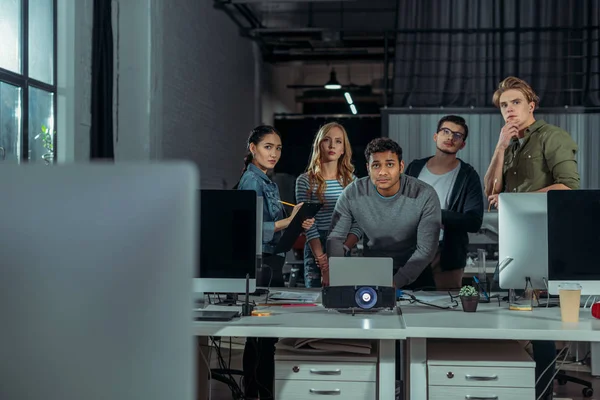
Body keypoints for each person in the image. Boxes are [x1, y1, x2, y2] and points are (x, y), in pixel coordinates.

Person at [483, 77, 580, 400]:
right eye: (503, 105)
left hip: (547, 240)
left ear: (531, 105)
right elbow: (490, 192)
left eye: (515, 103)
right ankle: (519, 384)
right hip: (517, 239)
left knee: (537, 320)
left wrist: (515, 201)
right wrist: (499, 146)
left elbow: (569, 187)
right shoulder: (510, 144)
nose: (509, 110)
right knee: (506, 306)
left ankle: (542, 391)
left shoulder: (552, 137)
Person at [235, 125, 314, 400]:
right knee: (261, 337)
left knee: (265, 337)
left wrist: (297, 222)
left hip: (272, 261)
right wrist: (288, 221)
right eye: (268, 147)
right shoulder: (252, 181)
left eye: (278, 148)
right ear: (252, 148)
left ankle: (258, 393)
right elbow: (254, 228)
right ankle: (257, 395)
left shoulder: (268, 180)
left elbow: (276, 224)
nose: (274, 153)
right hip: (261, 264)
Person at [327, 137, 441, 290]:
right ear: (368, 168)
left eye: (390, 164)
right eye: (376, 165)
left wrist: (395, 282)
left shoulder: (425, 194)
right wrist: (338, 276)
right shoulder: (352, 193)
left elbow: (426, 250)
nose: (382, 172)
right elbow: (335, 238)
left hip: (416, 274)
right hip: (372, 273)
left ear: (401, 167)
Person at [405, 115, 484, 290]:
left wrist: (435, 215)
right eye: (446, 132)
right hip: (412, 251)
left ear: (462, 144)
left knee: (449, 308)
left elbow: (474, 221)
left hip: (446, 254)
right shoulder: (415, 168)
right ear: (436, 136)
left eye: (457, 135)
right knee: (410, 305)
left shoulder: (467, 176)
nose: (450, 137)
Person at [295, 122, 362, 287]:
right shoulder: (304, 181)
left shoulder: (353, 182)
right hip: (315, 246)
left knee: (342, 299)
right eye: (327, 140)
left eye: (338, 141)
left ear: (343, 149)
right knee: (315, 301)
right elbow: (307, 223)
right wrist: (322, 261)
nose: (332, 145)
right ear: (319, 144)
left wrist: (343, 249)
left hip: (343, 244)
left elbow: (359, 222)